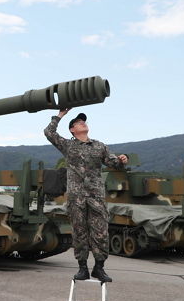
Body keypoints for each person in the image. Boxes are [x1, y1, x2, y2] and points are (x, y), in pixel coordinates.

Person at [44, 109, 128, 282]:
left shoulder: (99, 146)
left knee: (101, 232)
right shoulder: (68, 145)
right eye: (78, 122)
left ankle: (99, 268)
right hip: (77, 198)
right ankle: (82, 268)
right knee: (79, 232)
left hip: (96, 196)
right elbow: (49, 132)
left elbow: (115, 163)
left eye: (83, 121)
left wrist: (123, 159)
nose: (82, 122)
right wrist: (60, 116)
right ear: (72, 130)